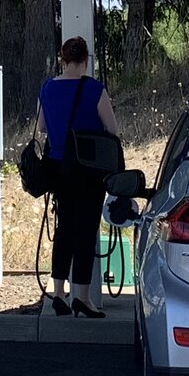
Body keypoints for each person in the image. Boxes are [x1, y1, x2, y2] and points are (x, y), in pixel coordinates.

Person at [37, 36, 123, 318]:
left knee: (64, 231)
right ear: (86, 60)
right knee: (85, 233)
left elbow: (41, 127)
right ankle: (82, 297)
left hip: (59, 170)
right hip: (88, 171)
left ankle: (58, 292)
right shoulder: (94, 89)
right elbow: (112, 129)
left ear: (63, 60)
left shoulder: (47, 88)